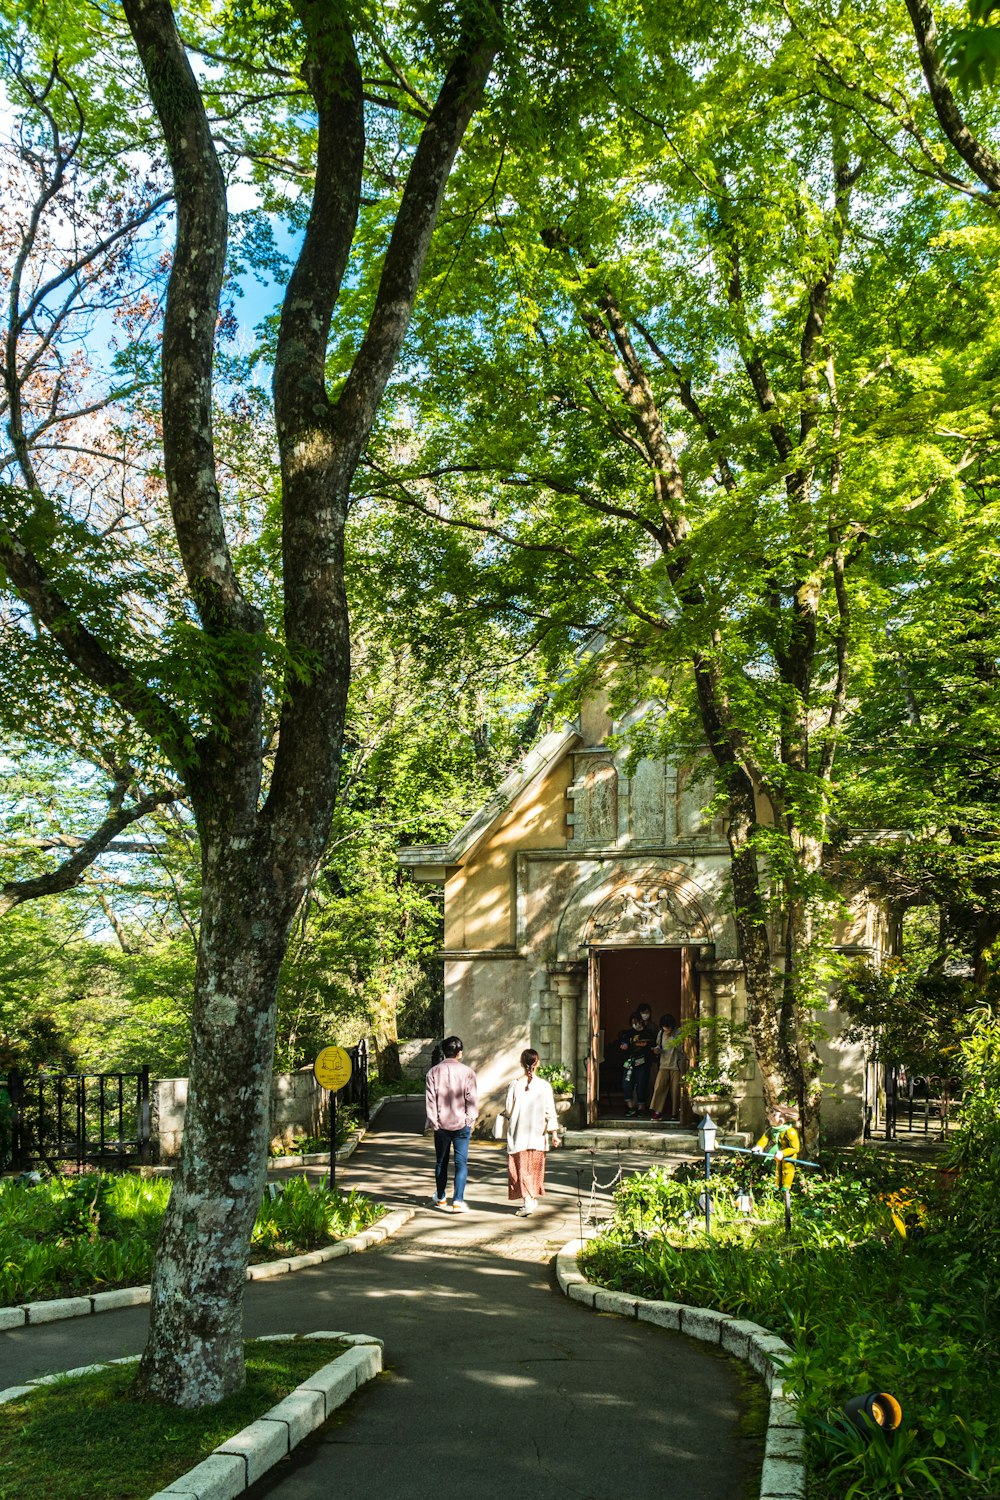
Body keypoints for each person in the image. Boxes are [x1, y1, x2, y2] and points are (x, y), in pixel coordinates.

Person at [500, 1048, 560, 1216]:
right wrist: (554, 1134)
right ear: (538, 1063)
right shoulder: (545, 1086)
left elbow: (509, 1109)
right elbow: (551, 1112)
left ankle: (528, 1201)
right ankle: (531, 1199)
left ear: (521, 1063)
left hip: (518, 1134)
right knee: (534, 1169)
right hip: (538, 1135)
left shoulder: (514, 1085)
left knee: (521, 1169)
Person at [425, 1035, 478, 1212]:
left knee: (441, 1162)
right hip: (462, 1124)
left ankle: (440, 1197)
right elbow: (471, 1099)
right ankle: (458, 1201)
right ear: (459, 1053)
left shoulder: (433, 1072)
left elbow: (430, 1100)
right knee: (461, 1163)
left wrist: (434, 1123)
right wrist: (469, 1120)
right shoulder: (468, 1072)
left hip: (441, 1125)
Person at [752, 1105, 801, 1190]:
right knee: (777, 1169)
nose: (770, 1117)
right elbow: (765, 1138)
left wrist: (783, 1153)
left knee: (787, 1170)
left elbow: (795, 1148)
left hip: (788, 1154)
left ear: (781, 1120)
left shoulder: (790, 1132)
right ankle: (777, 1185)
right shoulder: (772, 1130)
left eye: (774, 1115)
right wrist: (759, 1146)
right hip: (778, 1153)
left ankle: (786, 1186)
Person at [620, 1010, 655, 1116]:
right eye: (633, 1023)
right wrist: (624, 1046)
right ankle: (630, 1107)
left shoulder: (648, 1033)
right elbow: (623, 1043)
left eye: (638, 1022)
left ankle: (641, 1108)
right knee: (626, 1083)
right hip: (629, 1062)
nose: (636, 1025)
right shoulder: (628, 1033)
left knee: (642, 1084)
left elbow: (653, 1046)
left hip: (643, 1062)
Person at [649, 1012, 683, 1121]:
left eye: (667, 1027)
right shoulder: (660, 1033)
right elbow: (659, 1046)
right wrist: (657, 1050)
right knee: (659, 1088)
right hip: (663, 1064)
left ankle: (675, 1113)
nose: (665, 1029)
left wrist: (673, 1039)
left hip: (676, 1065)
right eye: (664, 1027)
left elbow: (681, 1049)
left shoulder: (679, 1032)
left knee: (675, 1090)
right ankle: (657, 1111)